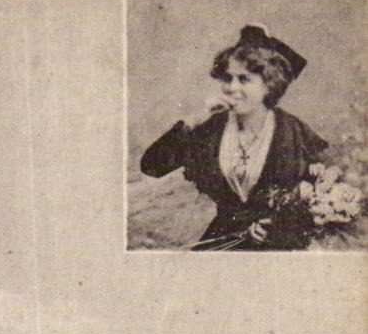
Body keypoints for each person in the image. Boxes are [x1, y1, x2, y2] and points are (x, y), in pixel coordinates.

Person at [140, 24, 327, 250]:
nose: (231, 88)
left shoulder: (293, 131)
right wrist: (195, 119)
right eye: (227, 78)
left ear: (269, 85)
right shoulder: (212, 128)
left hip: (280, 244)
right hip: (224, 241)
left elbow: (317, 201)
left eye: (244, 79)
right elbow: (151, 166)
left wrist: (280, 226)